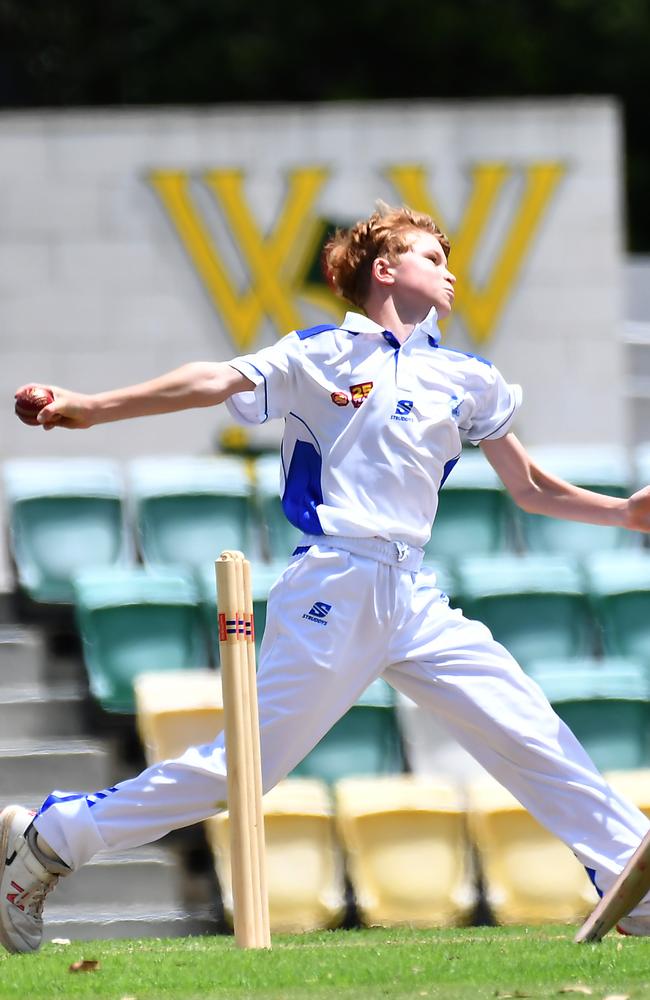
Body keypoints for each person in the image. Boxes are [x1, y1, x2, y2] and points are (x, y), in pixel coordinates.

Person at [2, 203, 650, 954]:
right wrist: (90, 407)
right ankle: (52, 838)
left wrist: (625, 514)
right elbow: (213, 379)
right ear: (385, 270)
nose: (449, 271)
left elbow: (531, 487)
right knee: (242, 771)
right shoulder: (319, 353)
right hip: (334, 584)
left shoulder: (467, 376)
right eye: (431, 257)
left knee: (526, 725)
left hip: (413, 592)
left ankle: (629, 881)